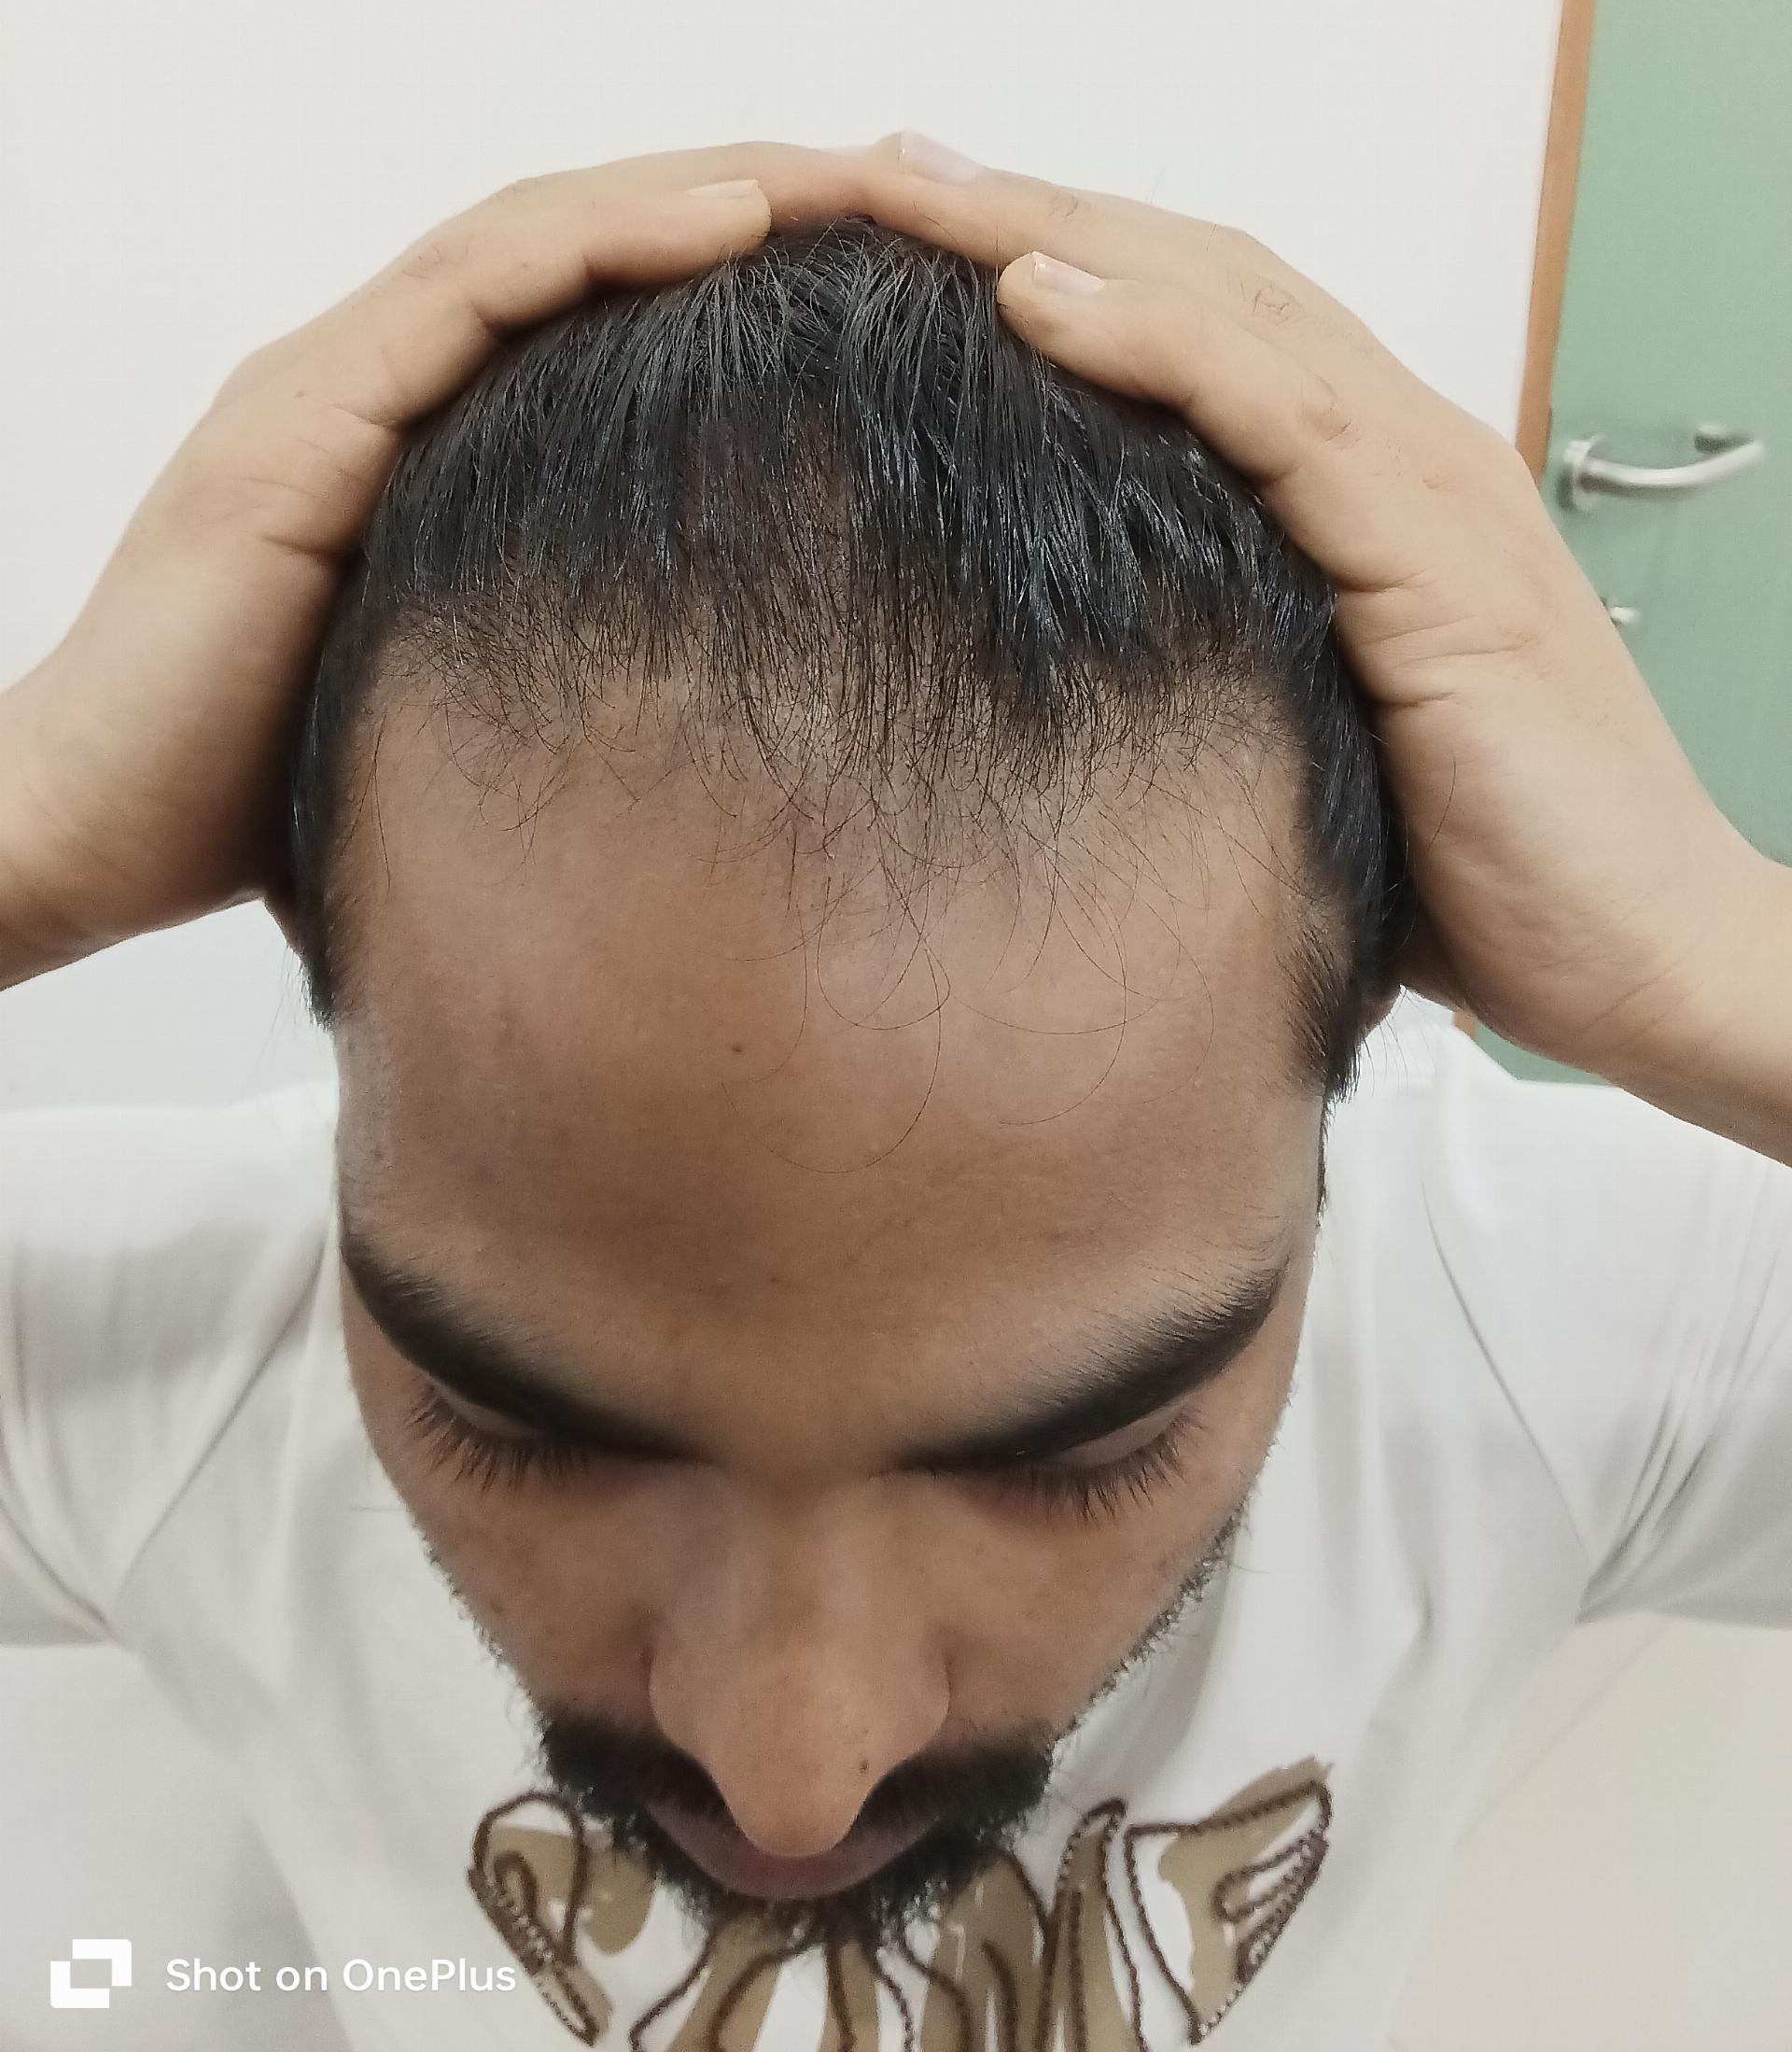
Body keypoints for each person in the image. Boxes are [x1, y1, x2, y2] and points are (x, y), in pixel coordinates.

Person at [1, 133, 1787, 2052]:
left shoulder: (1494, 1311)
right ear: (329, 976)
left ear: (1352, 1046)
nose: (793, 1774)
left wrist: (1720, 959)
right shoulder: (195, 1361)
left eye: (1081, 1457)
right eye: (515, 1426)